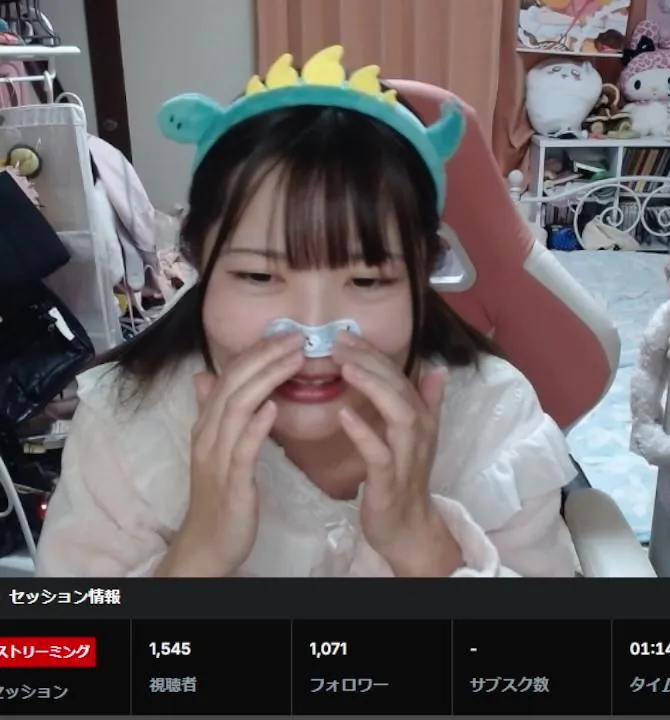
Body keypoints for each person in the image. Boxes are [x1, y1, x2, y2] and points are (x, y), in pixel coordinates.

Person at [34, 49, 580, 578]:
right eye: (258, 277)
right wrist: (196, 558)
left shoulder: (492, 418)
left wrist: (424, 547)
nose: (312, 335)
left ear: (421, 276)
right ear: (201, 265)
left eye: (366, 281)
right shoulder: (124, 424)